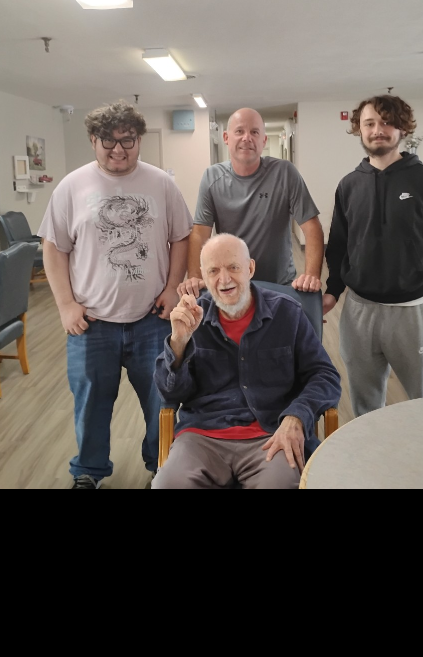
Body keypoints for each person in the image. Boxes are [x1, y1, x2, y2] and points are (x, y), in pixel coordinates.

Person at [39, 99, 192, 489]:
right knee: (90, 404)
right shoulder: (71, 187)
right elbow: (53, 248)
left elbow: (181, 236)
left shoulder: (161, 183)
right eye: (109, 141)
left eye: (128, 140)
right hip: (91, 324)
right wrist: (65, 305)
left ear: (139, 140)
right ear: (94, 140)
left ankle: (162, 464)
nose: (119, 149)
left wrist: (172, 288)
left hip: (151, 320)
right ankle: (88, 471)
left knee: (162, 401)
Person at [153, 234, 341, 490]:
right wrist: (178, 342)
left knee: (281, 485)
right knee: (167, 485)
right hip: (202, 435)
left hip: (270, 434)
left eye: (233, 267)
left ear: (250, 268)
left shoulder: (287, 312)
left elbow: (325, 376)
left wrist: (297, 416)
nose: (224, 279)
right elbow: (171, 394)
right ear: (203, 276)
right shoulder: (191, 317)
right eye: (213, 271)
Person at [324, 95, 423, 414]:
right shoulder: (348, 186)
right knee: (365, 406)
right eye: (369, 123)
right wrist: (332, 291)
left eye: (386, 122)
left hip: (413, 310)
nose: (377, 130)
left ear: (402, 128)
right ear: (359, 129)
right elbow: (339, 245)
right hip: (359, 312)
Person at [181, 108, 324, 298]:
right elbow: (199, 233)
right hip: (230, 286)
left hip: (279, 286)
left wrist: (311, 275)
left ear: (263, 140)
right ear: (226, 137)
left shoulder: (284, 173)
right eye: (239, 131)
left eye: (254, 132)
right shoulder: (212, 177)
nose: (247, 138)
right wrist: (194, 277)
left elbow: (311, 226)